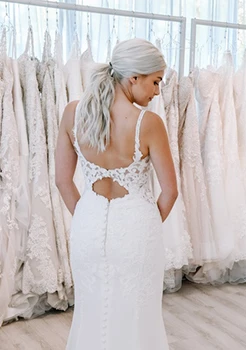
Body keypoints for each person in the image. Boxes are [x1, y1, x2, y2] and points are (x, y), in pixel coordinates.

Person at [55, 38, 177, 350]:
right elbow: (170, 191)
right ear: (133, 77)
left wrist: (86, 216)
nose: (157, 91)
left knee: (91, 308)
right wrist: (145, 223)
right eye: (155, 81)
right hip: (137, 227)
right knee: (138, 314)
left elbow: (62, 182)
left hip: (88, 224)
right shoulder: (149, 123)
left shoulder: (73, 113)